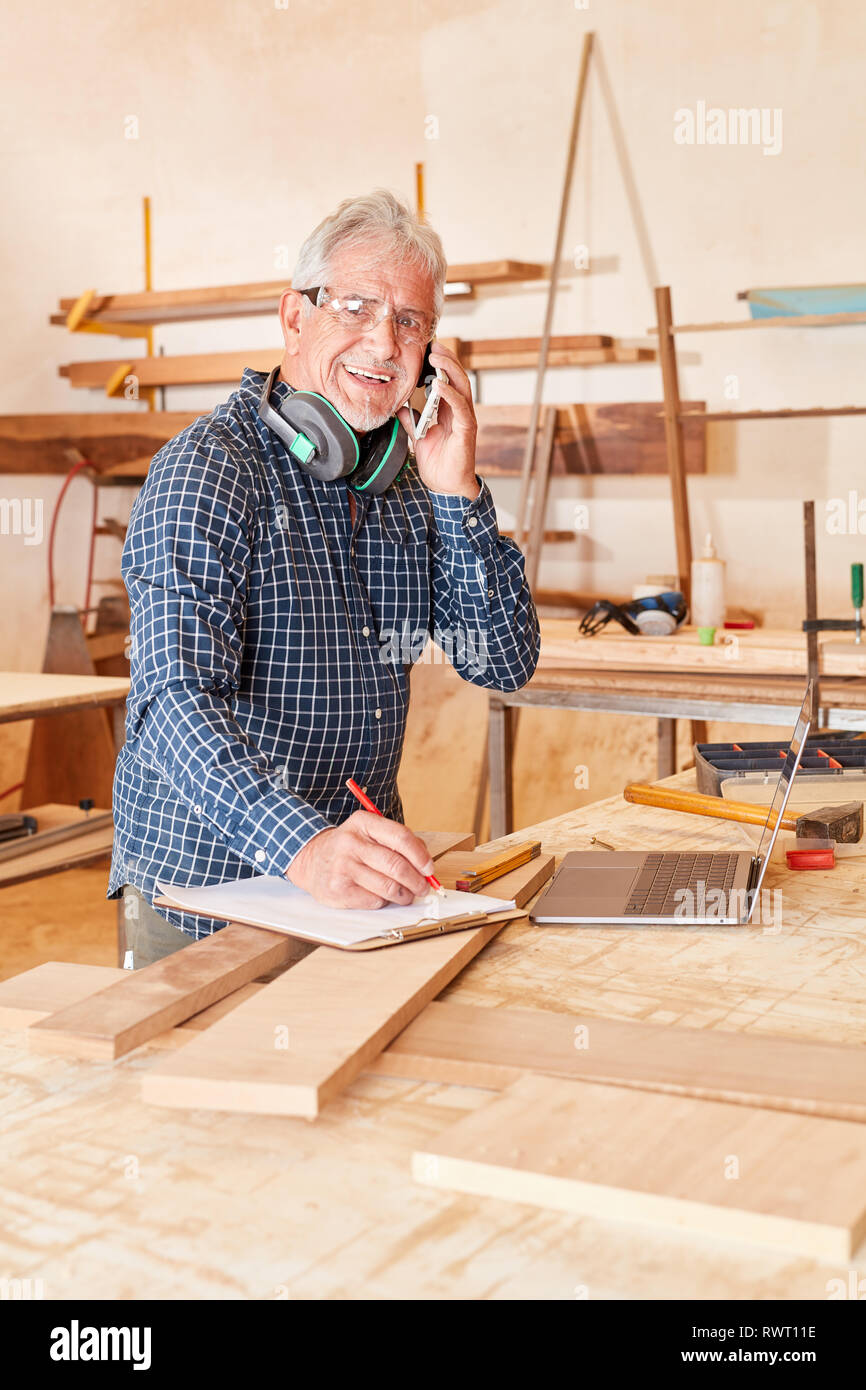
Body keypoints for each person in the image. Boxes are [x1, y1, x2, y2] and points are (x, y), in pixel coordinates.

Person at [107, 189, 539, 967]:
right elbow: (172, 703)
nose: (384, 342)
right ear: (294, 316)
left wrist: (458, 492)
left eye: (411, 322)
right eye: (355, 307)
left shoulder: (408, 482)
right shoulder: (207, 471)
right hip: (207, 893)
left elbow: (502, 660)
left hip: (354, 899)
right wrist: (303, 847)